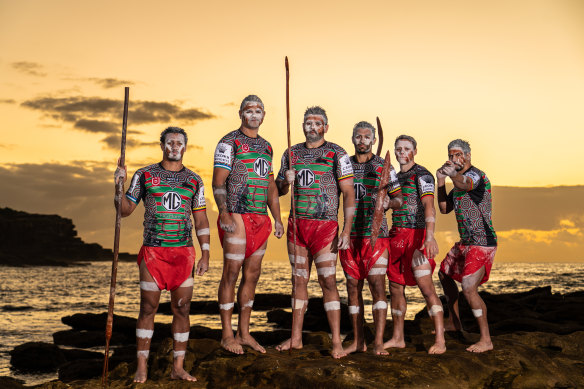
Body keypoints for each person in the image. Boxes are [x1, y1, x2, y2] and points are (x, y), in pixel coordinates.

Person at [114, 126, 210, 383]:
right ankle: (142, 366)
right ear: (163, 145)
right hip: (153, 251)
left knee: (182, 308)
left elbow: (201, 220)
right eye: (170, 142)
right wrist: (118, 186)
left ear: (185, 147)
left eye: (179, 142)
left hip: (183, 252)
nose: (175, 146)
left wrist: (206, 255)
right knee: (148, 307)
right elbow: (123, 210)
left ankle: (177, 367)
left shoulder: (195, 180)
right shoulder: (145, 175)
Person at [275, 106, 355, 359]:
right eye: (307, 122)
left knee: (328, 281)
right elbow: (279, 191)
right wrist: (285, 181)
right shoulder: (291, 153)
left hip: (325, 226)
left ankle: (336, 343)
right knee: (298, 280)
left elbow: (349, 193)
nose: (311, 127)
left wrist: (347, 229)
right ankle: (296, 338)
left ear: (326, 127)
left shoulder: (337, 153)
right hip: (297, 226)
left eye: (317, 123)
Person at [213, 95, 284, 355]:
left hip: (260, 218)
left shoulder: (267, 147)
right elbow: (218, 182)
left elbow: (271, 186)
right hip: (236, 213)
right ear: (241, 113)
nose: (253, 115)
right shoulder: (228, 142)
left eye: (258, 111)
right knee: (231, 273)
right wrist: (224, 213)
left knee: (252, 275)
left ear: (263, 115)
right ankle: (226, 335)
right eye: (249, 110)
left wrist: (277, 218)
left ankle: (244, 333)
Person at [340, 121, 403, 355]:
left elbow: (399, 199)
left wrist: (389, 203)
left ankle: (377, 341)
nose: (362, 141)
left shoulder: (384, 167)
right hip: (351, 236)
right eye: (358, 136)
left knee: (377, 286)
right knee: (352, 288)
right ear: (353, 138)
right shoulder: (344, 165)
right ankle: (358, 341)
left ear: (374, 141)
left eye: (367, 137)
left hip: (377, 237)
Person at [384, 135, 446, 354]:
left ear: (415, 151)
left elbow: (429, 206)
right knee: (395, 287)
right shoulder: (392, 177)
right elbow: (391, 203)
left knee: (426, 288)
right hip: (396, 235)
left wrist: (429, 237)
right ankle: (398, 337)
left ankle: (440, 340)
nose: (402, 152)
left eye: (407, 148)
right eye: (398, 148)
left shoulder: (423, 175)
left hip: (417, 235)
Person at [436, 139, 497, 353]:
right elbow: (444, 208)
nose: (454, 159)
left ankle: (486, 340)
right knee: (444, 273)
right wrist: (441, 181)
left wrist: (452, 174)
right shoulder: (457, 184)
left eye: (458, 155)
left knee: (469, 288)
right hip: (465, 243)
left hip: (482, 242)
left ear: (468, 156)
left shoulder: (476, 176)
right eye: (451, 155)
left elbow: (465, 183)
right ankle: (454, 322)